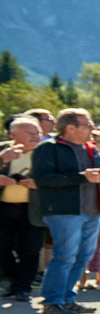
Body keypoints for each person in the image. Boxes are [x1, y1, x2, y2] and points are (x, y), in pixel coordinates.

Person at [30, 108, 100, 314]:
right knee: (65, 256)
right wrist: (82, 177)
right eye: (87, 125)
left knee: (83, 257)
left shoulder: (89, 148)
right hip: (64, 211)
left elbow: (93, 176)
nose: (92, 129)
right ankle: (52, 302)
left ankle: (67, 298)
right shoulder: (48, 148)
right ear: (70, 128)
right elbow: (43, 179)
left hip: (91, 209)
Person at [1, 116, 43, 302]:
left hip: (33, 209)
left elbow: (61, 177)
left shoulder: (46, 152)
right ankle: (12, 280)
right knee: (2, 248)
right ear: (13, 135)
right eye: (30, 133)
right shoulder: (2, 151)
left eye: (37, 133)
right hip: (4, 209)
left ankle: (23, 287)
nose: (35, 137)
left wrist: (39, 183)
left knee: (31, 250)